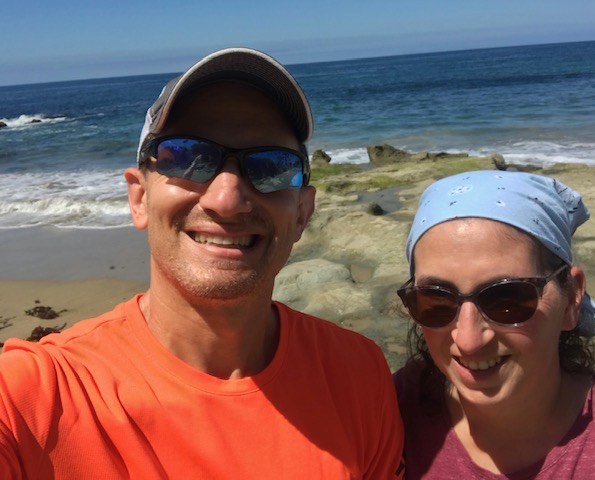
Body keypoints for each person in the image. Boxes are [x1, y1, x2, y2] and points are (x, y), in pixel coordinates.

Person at [0, 48, 404, 479]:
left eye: (270, 166)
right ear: (138, 198)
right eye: (187, 157)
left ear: (303, 212)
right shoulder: (33, 397)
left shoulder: (357, 374)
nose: (227, 200)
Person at [394, 170, 595, 479]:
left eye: (507, 298)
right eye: (436, 300)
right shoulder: (385, 416)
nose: (469, 339)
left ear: (572, 298)